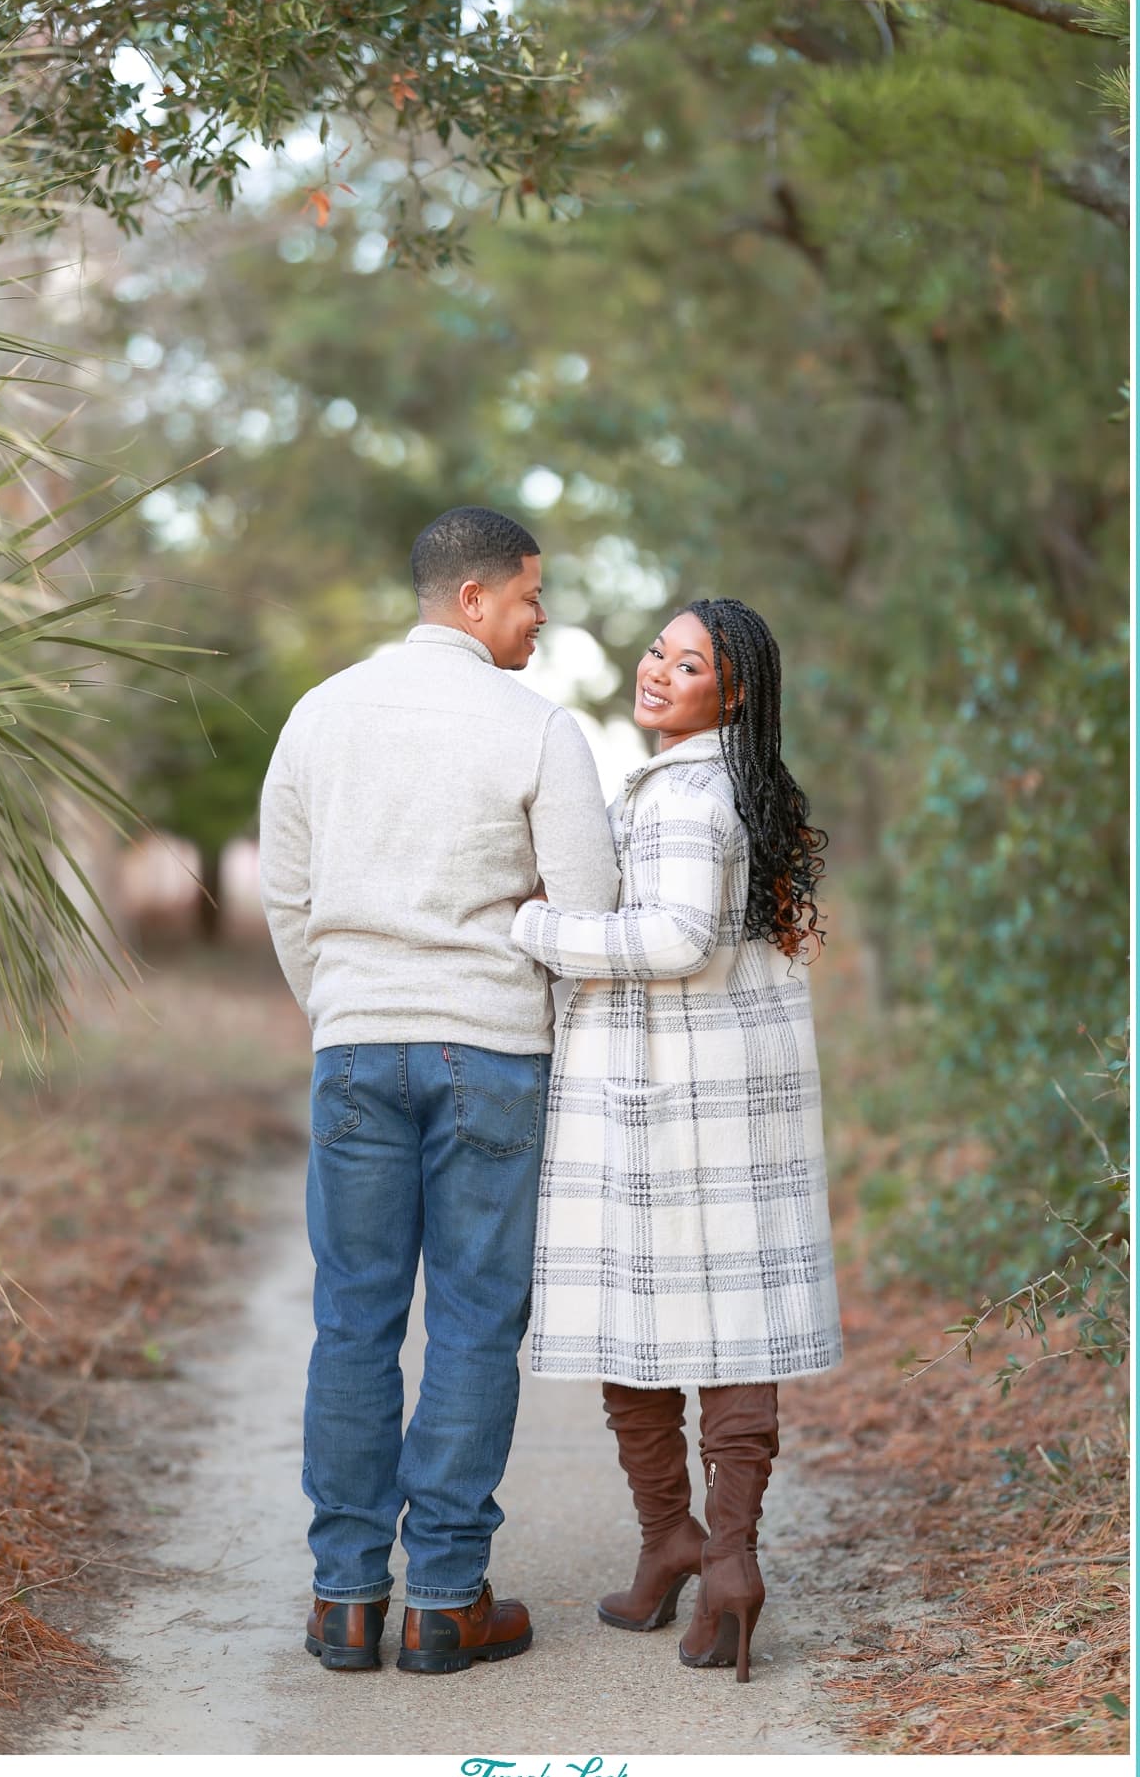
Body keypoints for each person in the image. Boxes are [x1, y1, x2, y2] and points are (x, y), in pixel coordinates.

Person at [259, 507, 619, 1676]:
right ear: (472, 599)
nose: (541, 613)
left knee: (352, 1319)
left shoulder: (320, 716)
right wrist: (541, 1035)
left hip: (355, 1045)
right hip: (489, 1055)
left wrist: (343, 1008)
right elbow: (586, 919)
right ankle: (447, 1601)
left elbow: (286, 898)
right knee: (472, 1319)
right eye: (529, 594)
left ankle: (345, 1601)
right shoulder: (537, 730)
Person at [511, 598, 842, 1683]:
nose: (658, 669)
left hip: (667, 1095)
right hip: (725, 1094)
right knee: (723, 1323)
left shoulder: (691, 795)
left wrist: (538, 930)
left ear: (731, 694)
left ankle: (706, 1550)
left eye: (689, 663)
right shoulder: (724, 785)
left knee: (636, 1318)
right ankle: (695, 1553)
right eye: (659, 649)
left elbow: (675, 938)